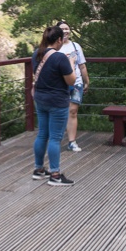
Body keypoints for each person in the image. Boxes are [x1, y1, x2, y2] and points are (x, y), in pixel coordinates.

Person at [31, 25, 78, 186]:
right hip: (57, 101)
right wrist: (71, 63)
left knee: (42, 134)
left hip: (40, 99)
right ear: (58, 40)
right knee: (55, 138)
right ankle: (55, 174)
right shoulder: (60, 58)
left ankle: (38, 170)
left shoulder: (36, 55)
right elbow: (71, 81)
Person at [56, 21, 90, 152]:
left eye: (67, 29)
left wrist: (87, 81)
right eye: (62, 29)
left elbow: (82, 65)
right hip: (59, 85)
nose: (65, 31)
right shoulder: (54, 47)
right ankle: (56, 140)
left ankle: (72, 141)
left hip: (76, 84)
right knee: (59, 112)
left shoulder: (76, 46)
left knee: (73, 111)